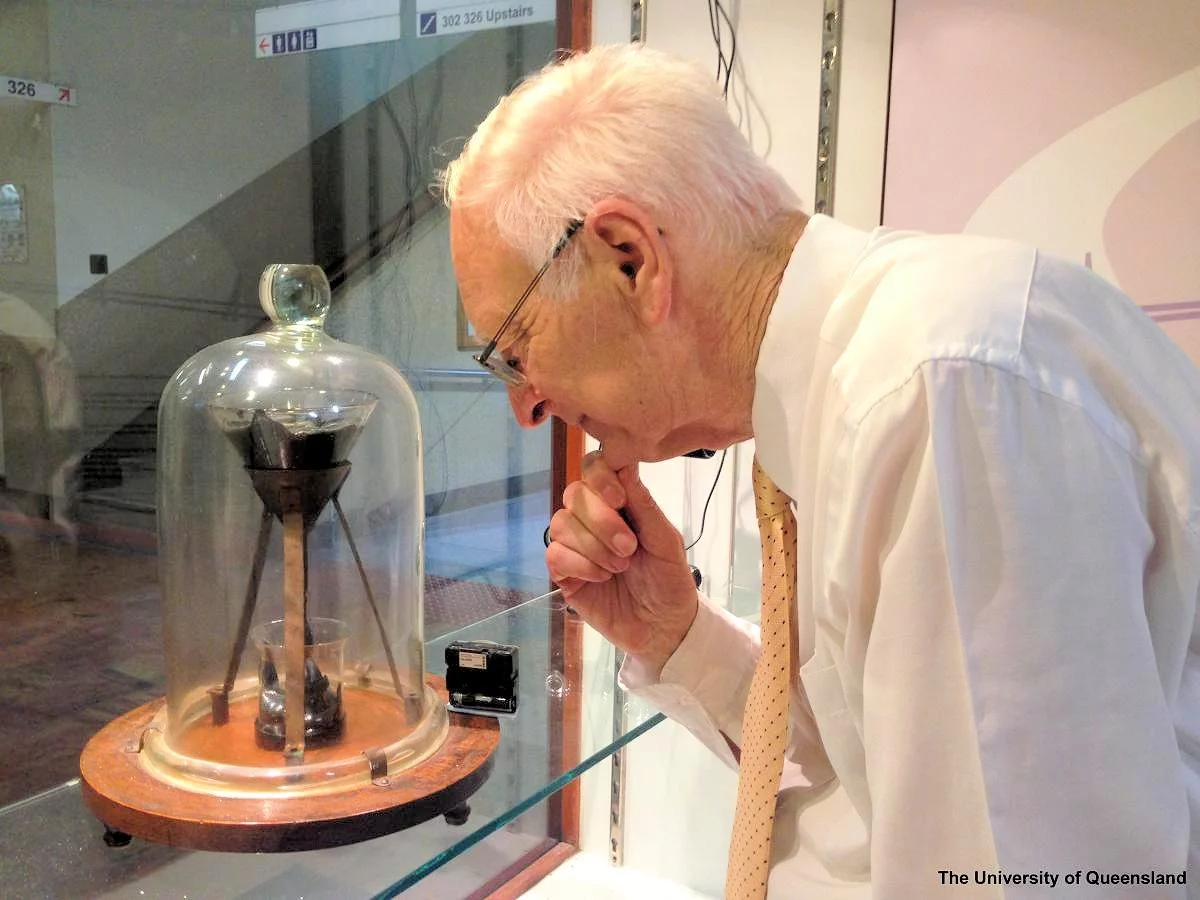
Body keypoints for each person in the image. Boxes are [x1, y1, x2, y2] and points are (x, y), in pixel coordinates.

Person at [441, 43, 1200, 898]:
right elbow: (872, 761)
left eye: (516, 348)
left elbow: (1014, 872)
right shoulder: (862, 388)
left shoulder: (934, 395)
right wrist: (671, 634)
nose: (527, 405)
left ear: (630, 257)